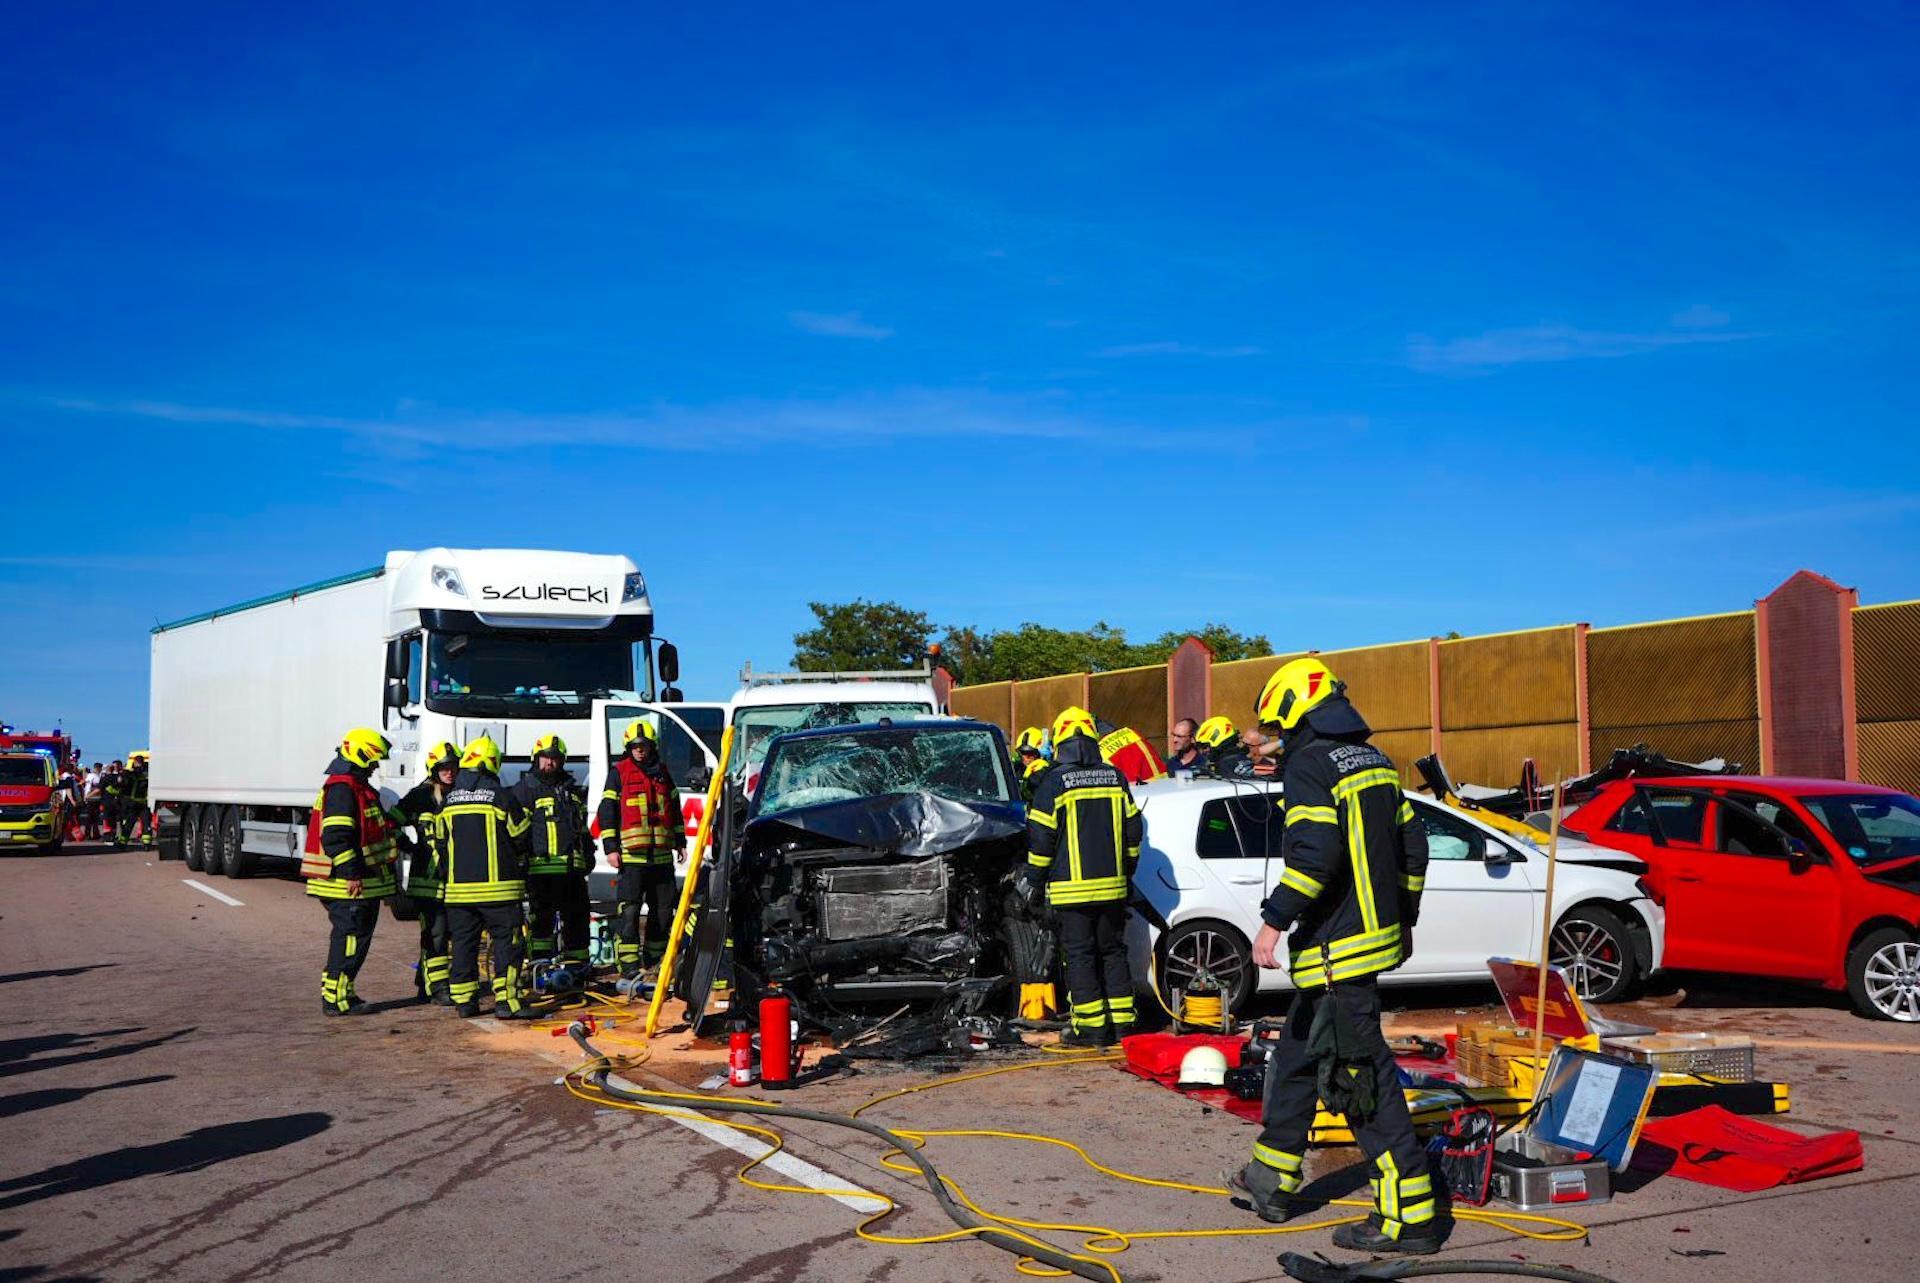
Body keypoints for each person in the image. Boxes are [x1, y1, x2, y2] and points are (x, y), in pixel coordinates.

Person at [1229, 658, 1438, 1255]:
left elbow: (1315, 857)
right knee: (1295, 1057)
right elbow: (1414, 847)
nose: (1274, 733)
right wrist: (1404, 919)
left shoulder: (1310, 764)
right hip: (1364, 942)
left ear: (1294, 711)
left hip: (1334, 952)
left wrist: (1271, 924)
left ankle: (1410, 1218)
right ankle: (1270, 1180)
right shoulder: (1375, 763)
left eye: (1276, 721)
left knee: (1361, 1082)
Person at [1020, 706, 1143, 1048]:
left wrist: (1034, 879)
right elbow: (1134, 829)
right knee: (1113, 952)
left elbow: (1041, 837)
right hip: (1114, 887)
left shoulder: (1054, 781)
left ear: (1060, 742)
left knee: (1080, 956)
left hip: (1071, 891)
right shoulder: (1115, 777)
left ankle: (1090, 1029)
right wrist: (1128, 869)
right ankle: (1122, 1026)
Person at [306, 728, 400, 1016]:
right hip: (343, 883)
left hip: (356, 881)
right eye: (372, 761)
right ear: (359, 757)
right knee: (348, 939)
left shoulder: (356, 788)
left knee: (354, 939)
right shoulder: (342, 789)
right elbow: (336, 836)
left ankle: (341, 992)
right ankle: (336, 1000)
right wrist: (351, 874)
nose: (374, 767)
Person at [441, 735, 534, 1018]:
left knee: (463, 945)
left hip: (458, 893)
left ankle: (465, 1002)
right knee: (508, 944)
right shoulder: (501, 796)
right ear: (492, 763)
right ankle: (507, 1002)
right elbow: (520, 836)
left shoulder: (448, 800)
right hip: (499, 891)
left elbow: (440, 840)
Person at [597, 720, 685, 980]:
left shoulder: (663, 773)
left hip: (661, 858)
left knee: (662, 911)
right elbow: (607, 811)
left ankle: (655, 961)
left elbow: (675, 809)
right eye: (635, 746)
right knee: (630, 911)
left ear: (651, 746)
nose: (639, 750)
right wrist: (611, 848)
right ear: (628, 748)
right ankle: (629, 966)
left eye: (643, 746)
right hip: (632, 858)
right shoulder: (619, 772)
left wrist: (680, 841)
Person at [511, 734, 592, 979]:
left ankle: (577, 972)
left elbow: (583, 829)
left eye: (555, 758)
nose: (550, 763)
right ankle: (541, 970)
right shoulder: (525, 790)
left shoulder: (572, 791)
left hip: (572, 872)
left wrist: (588, 854)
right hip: (541, 871)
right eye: (546, 757)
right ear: (536, 759)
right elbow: (518, 832)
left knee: (577, 923)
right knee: (541, 926)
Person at [394, 740, 459, 1004]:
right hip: (426, 880)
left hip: (454, 878)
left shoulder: (460, 794)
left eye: (453, 767)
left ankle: (426, 981)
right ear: (433, 768)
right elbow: (389, 822)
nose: (449, 772)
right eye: (444, 767)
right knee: (436, 932)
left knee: (449, 932)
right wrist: (406, 845)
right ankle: (439, 987)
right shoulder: (419, 796)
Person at [1012, 726, 1052, 803]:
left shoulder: (1050, 771)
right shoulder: (1014, 771)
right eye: (1023, 753)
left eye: (1030, 753)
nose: (1026, 757)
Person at [121, 750, 153, 847]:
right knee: (146, 824)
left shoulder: (133, 773)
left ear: (136, 762)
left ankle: (122, 843)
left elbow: (125, 785)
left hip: (134, 803)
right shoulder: (149, 773)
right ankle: (147, 843)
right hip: (145, 802)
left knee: (129, 824)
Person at [99, 759, 127, 848]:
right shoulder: (123, 776)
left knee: (109, 819)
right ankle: (115, 836)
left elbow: (100, 788)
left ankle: (109, 837)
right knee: (117, 820)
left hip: (110, 802)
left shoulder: (107, 777)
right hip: (119, 802)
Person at [81, 762, 103, 840]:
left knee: (96, 818)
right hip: (91, 799)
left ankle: (96, 834)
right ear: (95, 768)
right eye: (98, 768)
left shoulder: (99, 776)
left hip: (97, 799)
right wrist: (86, 797)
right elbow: (88, 787)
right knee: (90, 818)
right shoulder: (91, 776)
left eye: (99, 768)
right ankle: (87, 834)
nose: (99, 769)